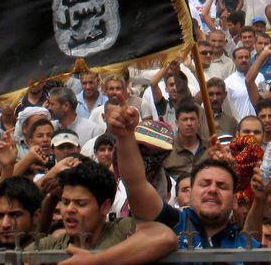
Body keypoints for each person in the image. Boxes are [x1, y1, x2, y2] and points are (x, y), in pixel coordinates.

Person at [105, 105, 261, 249]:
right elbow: (136, 184)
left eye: (222, 186)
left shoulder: (249, 248)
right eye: (205, 184)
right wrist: (125, 136)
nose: (212, 189)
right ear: (190, 192)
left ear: (234, 199)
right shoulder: (172, 223)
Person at [35, 159, 179, 262]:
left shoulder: (121, 231)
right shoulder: (52, 245)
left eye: (81, 203)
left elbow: (166, 237)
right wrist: (49, 200)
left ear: (105, 207)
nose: (69, 209)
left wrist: (95, 261)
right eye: (65, 202)